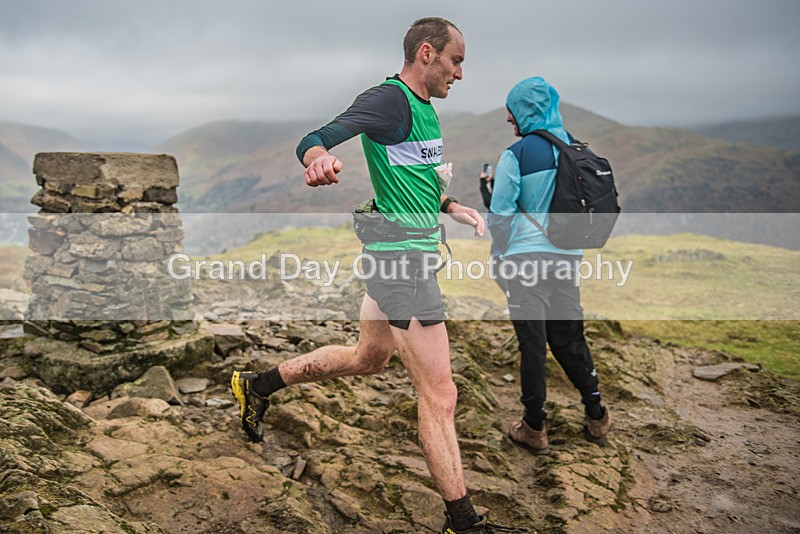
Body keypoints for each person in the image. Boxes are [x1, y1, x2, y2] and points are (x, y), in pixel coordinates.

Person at [232, 17, 516, 534]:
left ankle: (258, 385)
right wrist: (318, 160)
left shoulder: (424, 109)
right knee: (441, 395)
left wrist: (451, 206)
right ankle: (463, 523)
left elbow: (414, 177)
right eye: (456, 61)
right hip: (402, 265)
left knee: (368, 358)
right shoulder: (390, 100)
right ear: (427, 53)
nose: (459, 73)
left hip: (401, 256)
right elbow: (315, 138)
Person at [486, 76, 612, 454]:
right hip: (567, 258)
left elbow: (501, 214)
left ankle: (534, 427)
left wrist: (500, 252)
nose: (509, 120)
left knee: (533, 344)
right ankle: (596, 415)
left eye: (512, 112)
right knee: (569, 337)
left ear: (525, 111)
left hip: (525, 261)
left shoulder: (518, 154)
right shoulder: (577, 149)